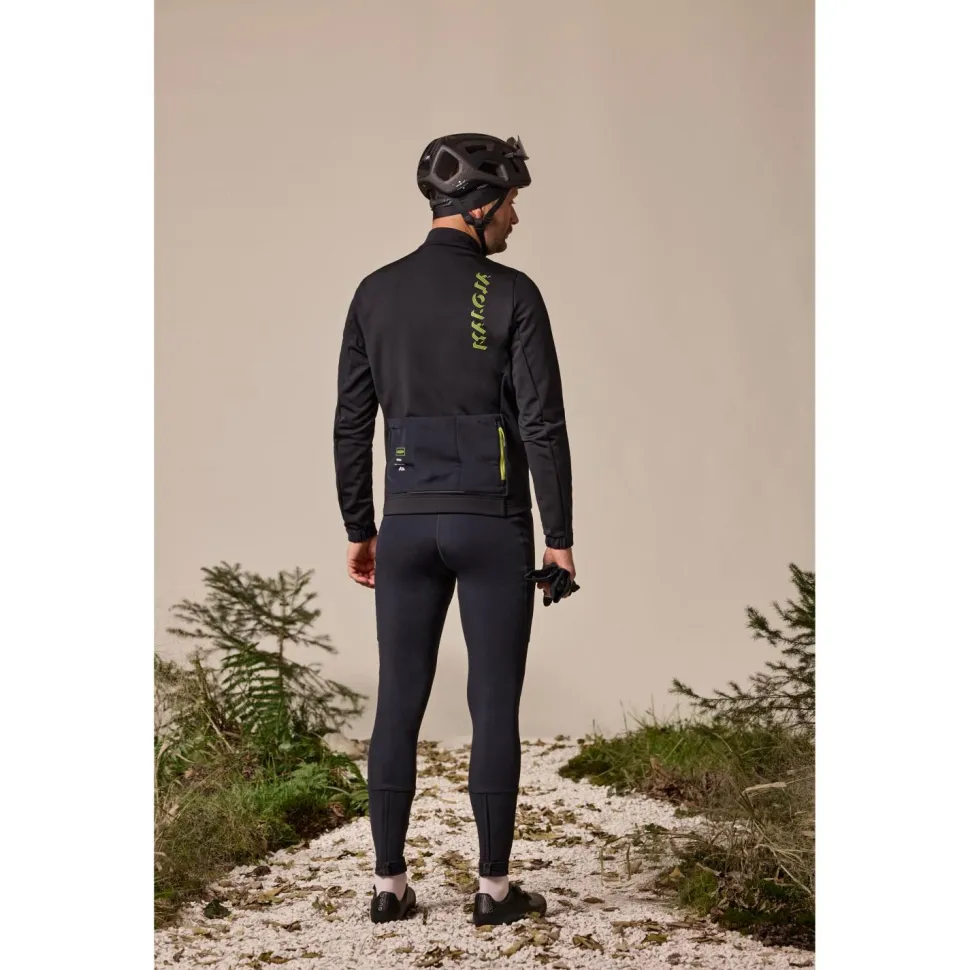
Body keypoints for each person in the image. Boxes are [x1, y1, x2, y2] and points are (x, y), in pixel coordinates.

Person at [333, 133, 576, 926]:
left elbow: (351, 422)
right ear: (480, 206)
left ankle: (389, 886)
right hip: (491, 522)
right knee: (493, 701)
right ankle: (495, 891)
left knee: (397, 697)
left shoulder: (374, 292)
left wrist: (361, 526)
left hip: (405, 522)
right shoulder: (513, 293)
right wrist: (559, 535)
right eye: (511, 203)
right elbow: (542, 423)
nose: (515, 219)